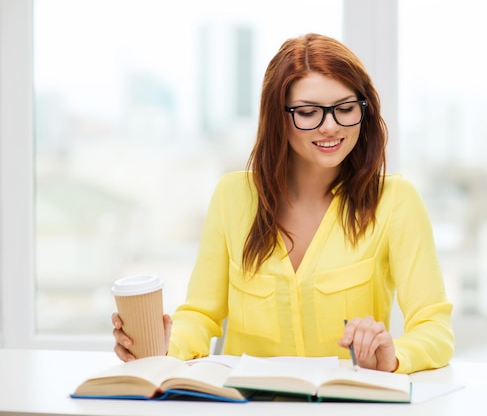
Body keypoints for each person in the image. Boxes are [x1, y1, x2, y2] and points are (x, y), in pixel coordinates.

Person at [113, 33, 454, 374]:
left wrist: (392, 356)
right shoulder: (233, 197)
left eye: (346, 109)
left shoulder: (395, 201)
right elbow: (201, 315)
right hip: (248, 405)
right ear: (278, 117)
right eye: (307, 112)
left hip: (345, 405)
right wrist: (163, 347)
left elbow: (435, 329)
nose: (330, 126)